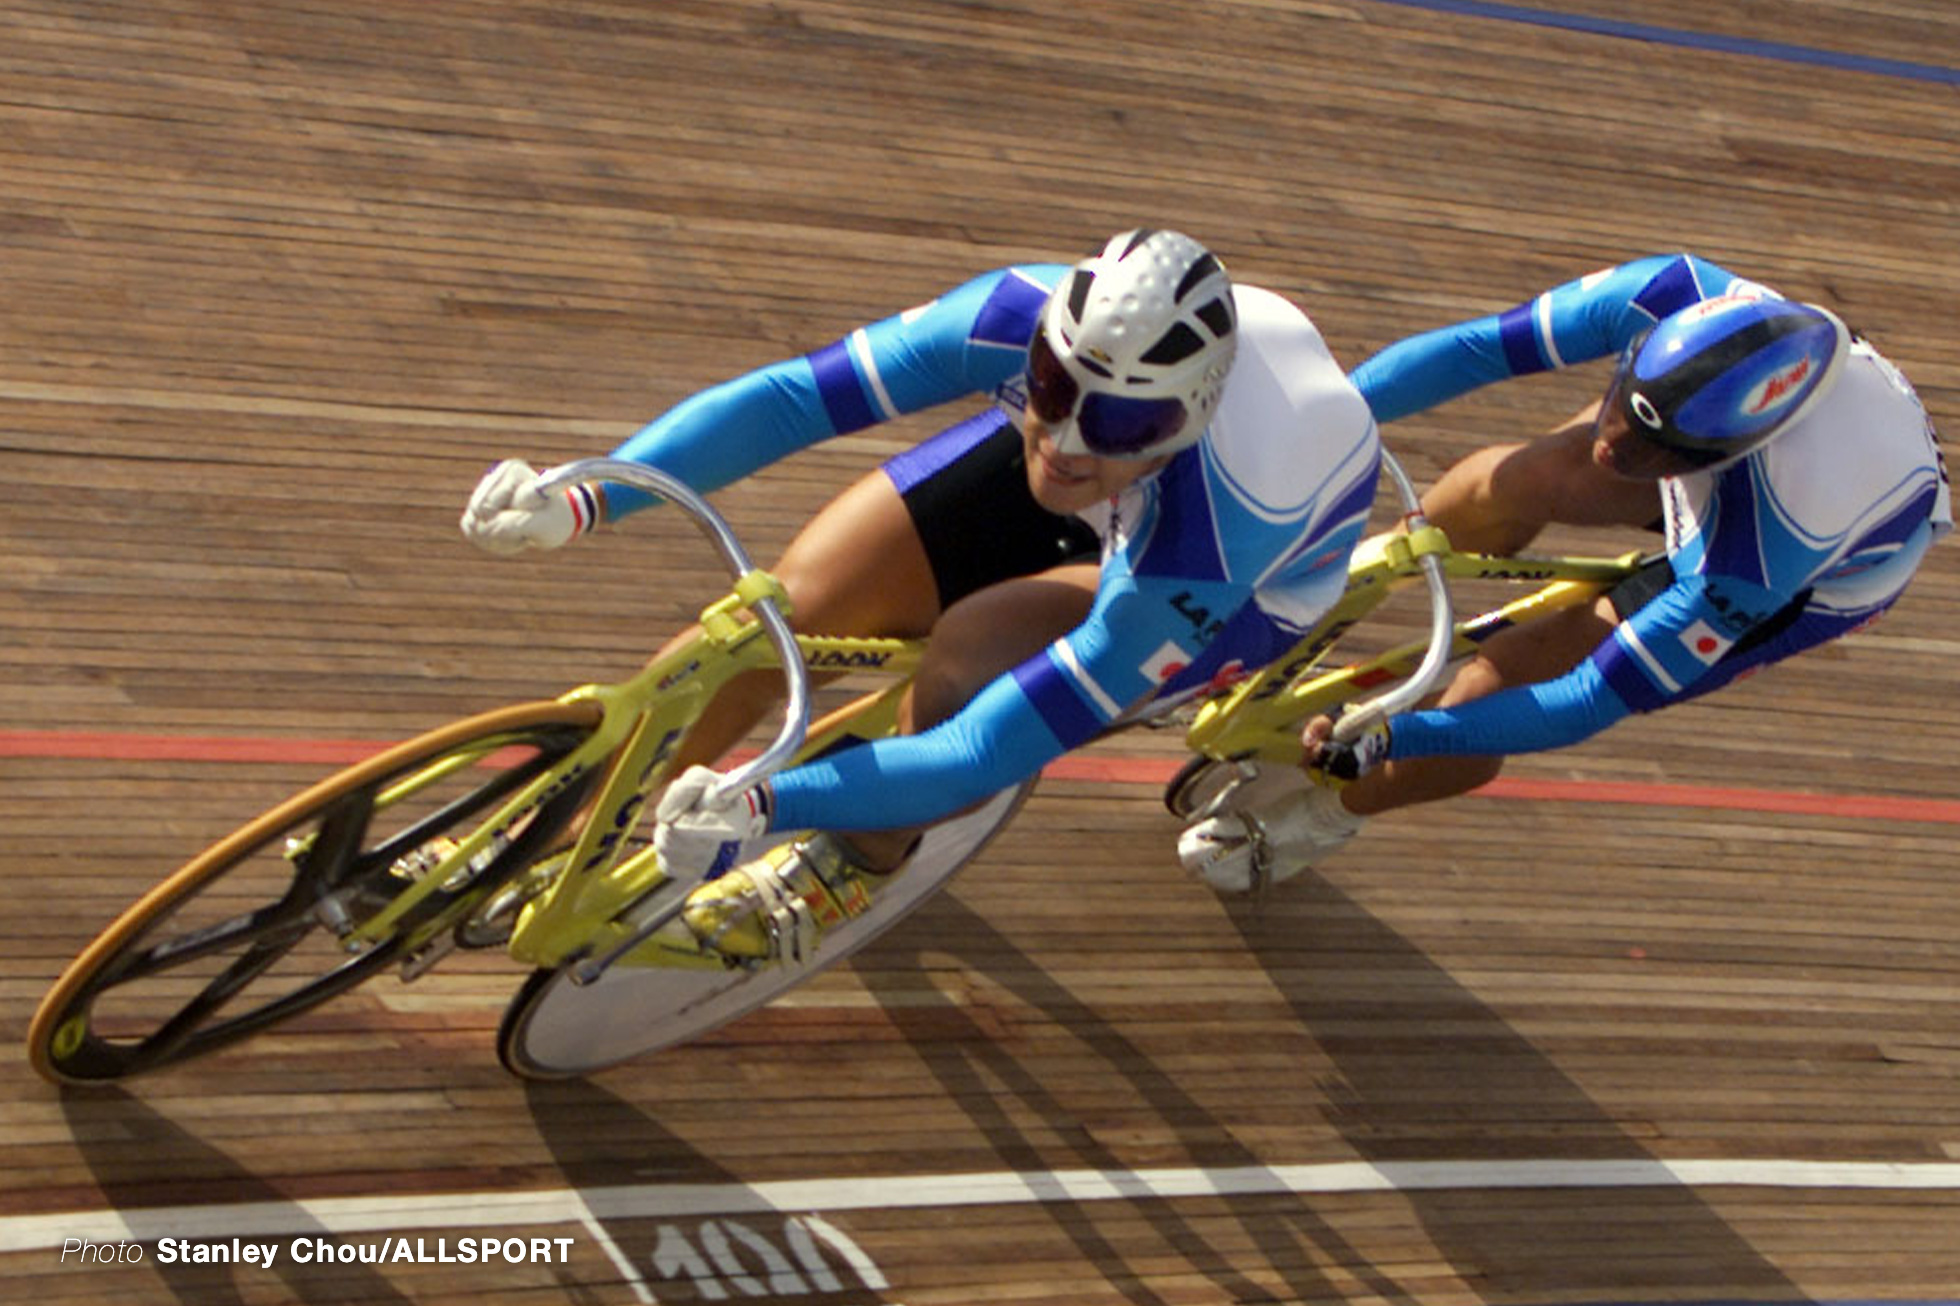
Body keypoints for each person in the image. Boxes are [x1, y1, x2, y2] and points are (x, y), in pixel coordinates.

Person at [461, 228, 1381, 962]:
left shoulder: (1223, 524)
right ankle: (557, 832)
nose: (1062, 440)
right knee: (773, 620)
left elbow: (985, 747)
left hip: (1235, 586)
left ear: (1190, 413)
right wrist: (588, 493)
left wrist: (768, 808)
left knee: (968, 667)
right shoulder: (1011, 317)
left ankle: (862, 859)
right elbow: (789, 401)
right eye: (1054, 388)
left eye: (1119, 419)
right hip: (1136, 489)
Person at [1177, 252, 1951, 892]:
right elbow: (1476, 349)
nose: (1617, 449)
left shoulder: (1768, 551)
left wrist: (1393, 738)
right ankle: (1329, 583)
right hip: (1714, 445)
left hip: (1818, 571)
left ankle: (1327, 817)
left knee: (1505, 678)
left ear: (1719, 458)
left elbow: (1582, 702)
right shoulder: (1668, 294)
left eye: (1652, 456)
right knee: (1509, 482)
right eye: (1618, 407)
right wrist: (1313, 434)